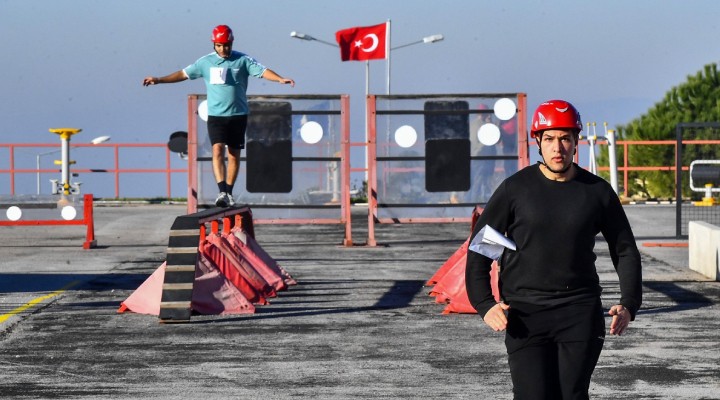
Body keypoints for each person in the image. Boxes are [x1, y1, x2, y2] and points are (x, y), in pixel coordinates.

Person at [465, 99, 642, 399]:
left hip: (579, 312)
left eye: (564, 139)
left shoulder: (596, 193)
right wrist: (485, 304)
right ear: (537, 141)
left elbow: (623, 249)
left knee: (571, 394)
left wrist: (629, 303)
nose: (557, 147)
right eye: (549, 139)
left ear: (576, 142)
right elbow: (481, 252)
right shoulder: (515, 191)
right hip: (525, 314)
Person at [143, 24, 295, 207]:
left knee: (233, 154)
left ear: (232, 43)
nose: (223, 49)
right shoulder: (205, 62)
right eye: (219, 45)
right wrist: (159, 80)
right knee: (217, 149)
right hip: (216, 116)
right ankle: (221, 190)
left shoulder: (243, 60)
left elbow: (263, 71)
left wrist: (279, 78)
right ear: (214, 44)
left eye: (226, 45)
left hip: (238, 115)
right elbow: (183, 74)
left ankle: (229, 192)